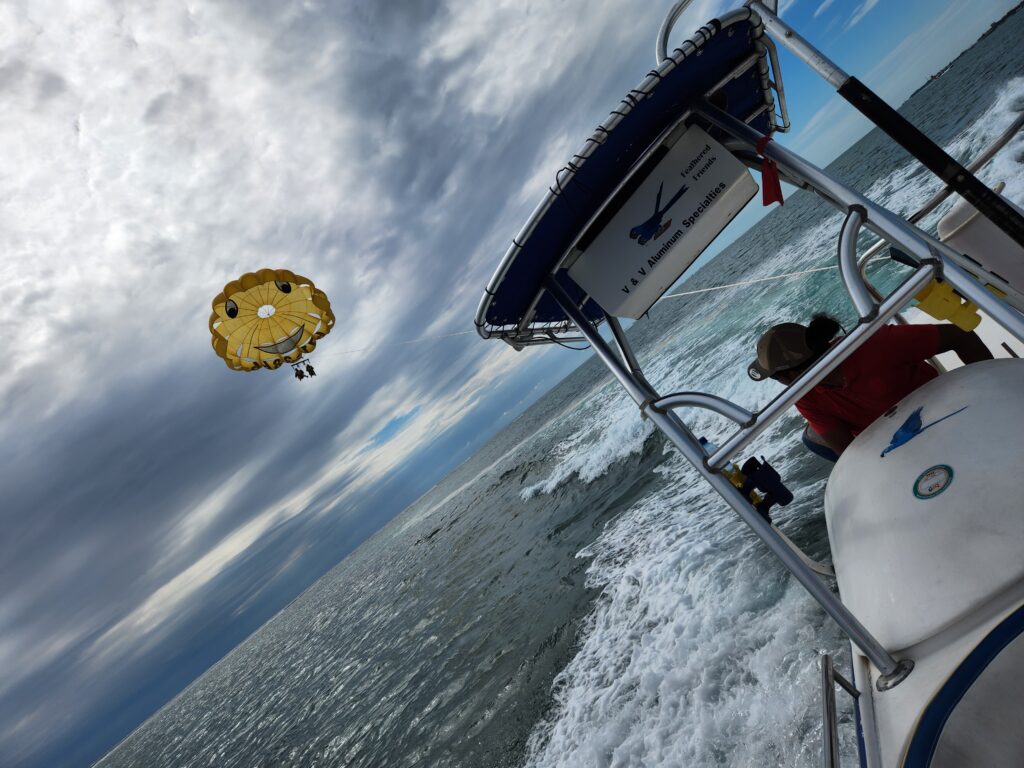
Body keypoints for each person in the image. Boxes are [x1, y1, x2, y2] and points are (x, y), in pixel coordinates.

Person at [748, 314, 992, 461]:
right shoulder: (804, 396)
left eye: (776, 378)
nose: (780, 384)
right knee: (811, 439)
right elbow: (851, 454)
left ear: (792, 374)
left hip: (944, 409)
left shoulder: (875, 344)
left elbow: (961, 336)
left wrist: (989, 390)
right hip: (892, 441)